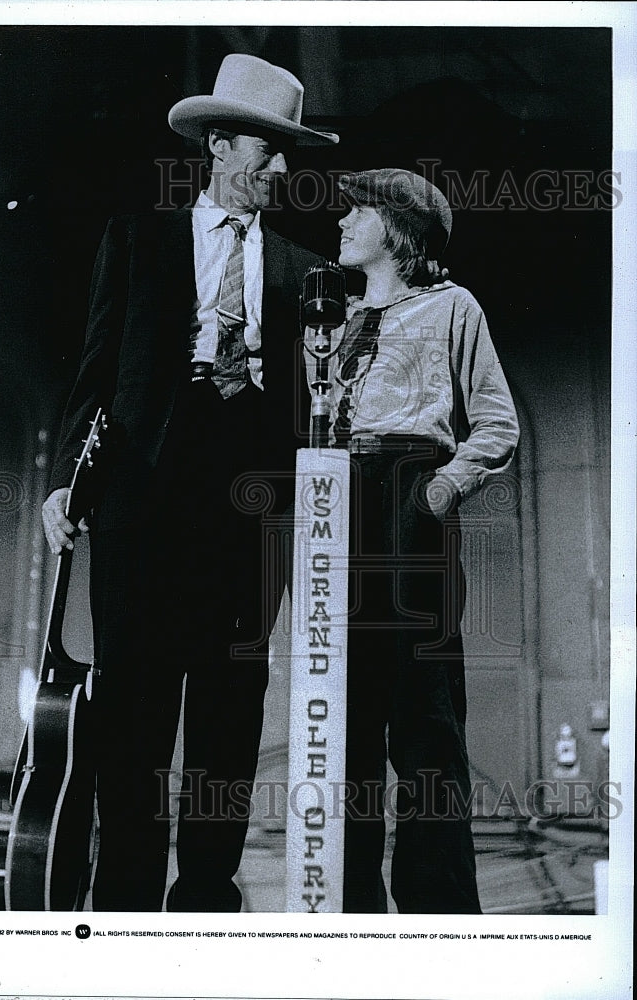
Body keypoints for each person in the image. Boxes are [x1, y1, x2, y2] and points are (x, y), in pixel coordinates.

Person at [41, 54, 338, 912]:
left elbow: (312, 413)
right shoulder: (137, 239)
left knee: (226, 725)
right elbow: (94, 378)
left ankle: (207, 901)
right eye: (265, 150)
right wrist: (65, 483)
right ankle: (126, 906)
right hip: (141, 511)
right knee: (131, 725)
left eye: (287, 154)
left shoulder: (302, 272)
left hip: (247, 529)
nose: (280, 170)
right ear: (217, 144)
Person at [304, 168, 519, 913]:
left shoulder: (453, 306)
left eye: (357, 212)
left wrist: (440, 489)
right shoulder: (330, 319)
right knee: (343, 718)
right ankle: (348, 907)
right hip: (334, 501)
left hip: (409, 496)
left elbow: (497, 422)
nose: (341, 222)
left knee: (424, 719)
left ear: (396, 230)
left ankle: (438, 915)